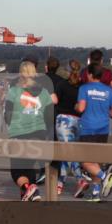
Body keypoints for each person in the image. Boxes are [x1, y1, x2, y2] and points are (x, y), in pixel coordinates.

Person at [4, 61, 58, 202]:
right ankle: (31, 193)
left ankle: (29, 187)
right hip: (38, 133)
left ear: (21, 73)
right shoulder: (45, 92)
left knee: (16, 171)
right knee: (29, 167)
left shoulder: (14, 91)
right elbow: (49, 115)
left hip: (19, 133)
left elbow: (7, 115)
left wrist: (12, 126)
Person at [75, 64, 112, 201]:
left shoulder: (84, 88)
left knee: (84, 161)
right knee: (95, 161)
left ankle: (104, 176)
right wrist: (108, 115)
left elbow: (81, 108)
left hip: (88, 128)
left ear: (89, 74)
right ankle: (95, 193)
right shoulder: (109, 91)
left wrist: (76, 106)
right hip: (103, 129)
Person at [46, 57, 80, 195]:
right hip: (78, 121)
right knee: (70, 153)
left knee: (66, 153)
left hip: (63, 121)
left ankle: (80, 179)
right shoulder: (81, 86)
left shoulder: (62, 85)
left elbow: (55, 100)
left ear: (67, 70)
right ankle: (60, 183)